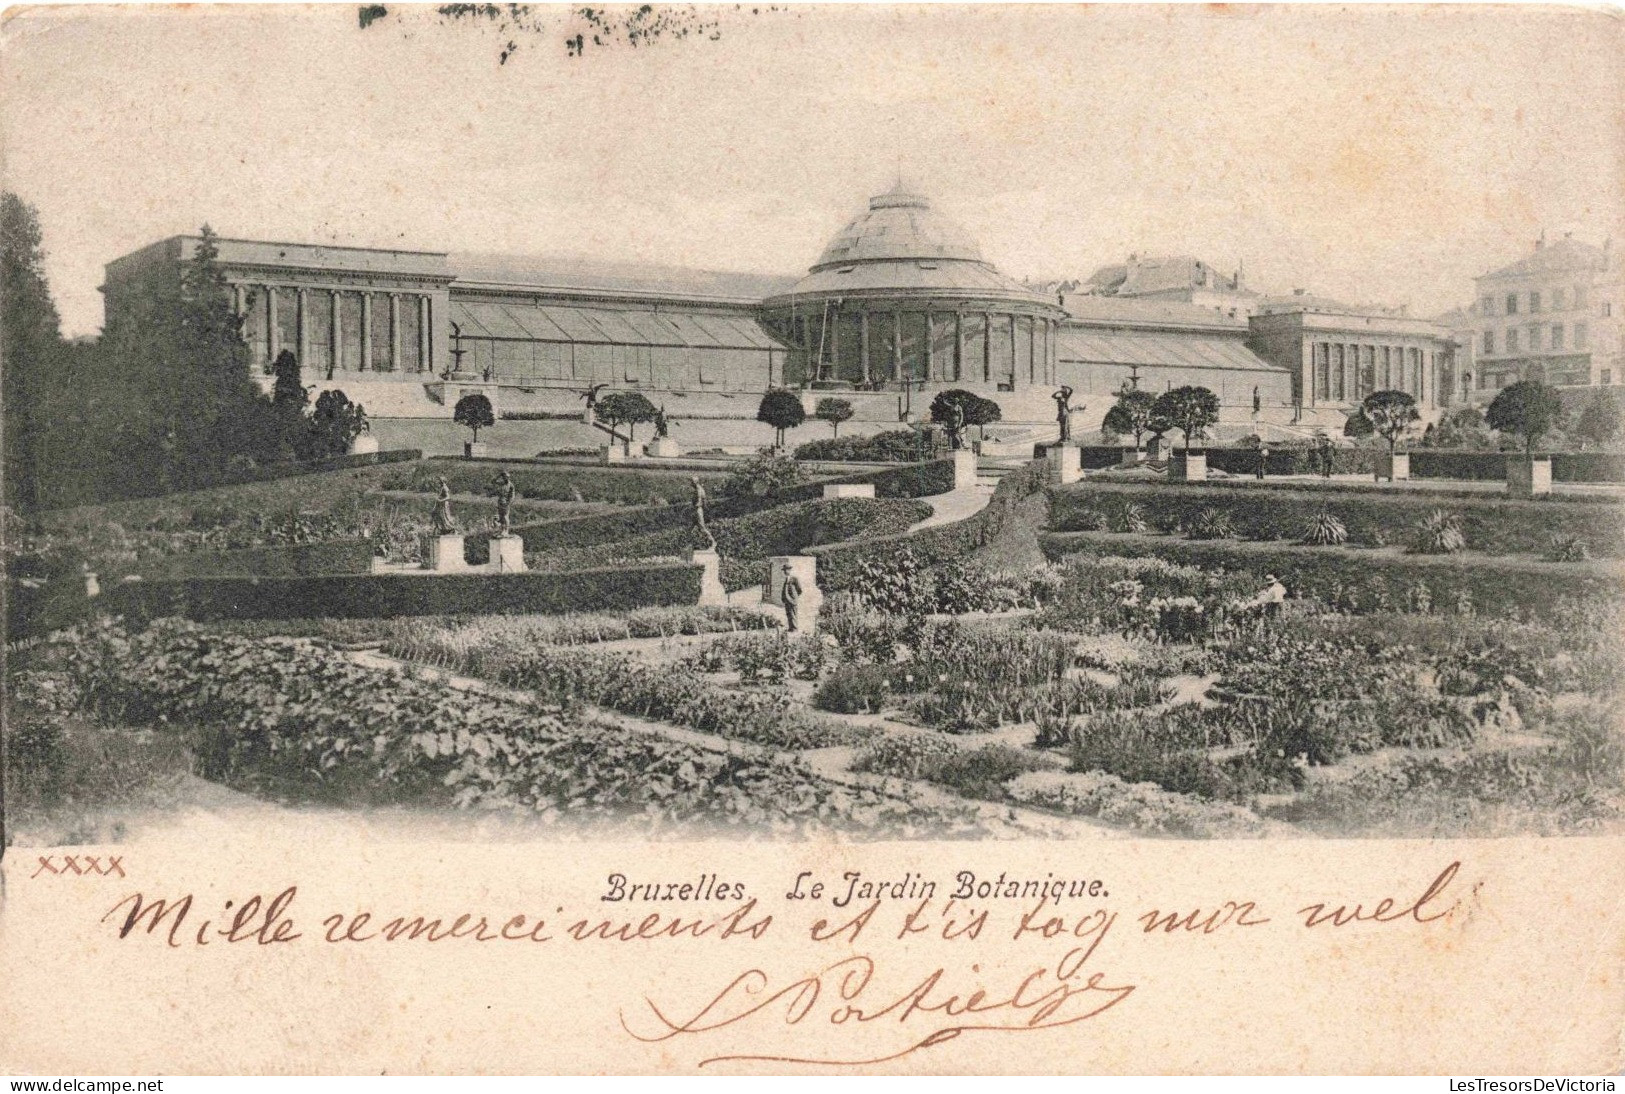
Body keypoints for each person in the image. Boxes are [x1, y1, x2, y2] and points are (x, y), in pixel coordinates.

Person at [690, 475, 717, 552]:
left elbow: (699, 501)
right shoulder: (698, 489)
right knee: (690, 528)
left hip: (697, 510)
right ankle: (688, 544)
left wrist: (694, 507)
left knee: (702, 527)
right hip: (697, 510)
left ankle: (713, 541)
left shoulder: (699, 490)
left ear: (695, 482)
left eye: (691, 482)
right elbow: (704, 501)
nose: (690, 483)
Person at [779, 561, 804, 633]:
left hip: (792, 600)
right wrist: (784, 598)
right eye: (784, 570)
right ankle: (791, 627)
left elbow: (800, 590)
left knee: (793, 614)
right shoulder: (786, 579)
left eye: (786, 570)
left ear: (789, 570)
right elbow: (784, 589)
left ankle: (795, 628)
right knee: (788, 614)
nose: (785, 572)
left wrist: (794, 597)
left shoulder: (794, 579)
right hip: (786, 600)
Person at [489, 470, 515, 536]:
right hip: (500, 501)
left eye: (506, 477)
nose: (505, 478)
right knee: (501, 517)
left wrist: (508, 503)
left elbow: (512, 495)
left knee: (505, 517)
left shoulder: (510, 485)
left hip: (506, 502)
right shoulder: (502, 483)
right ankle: (502, 530)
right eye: (504, 477)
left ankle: (506, 530)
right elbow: (493, 481)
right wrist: (499, 475)